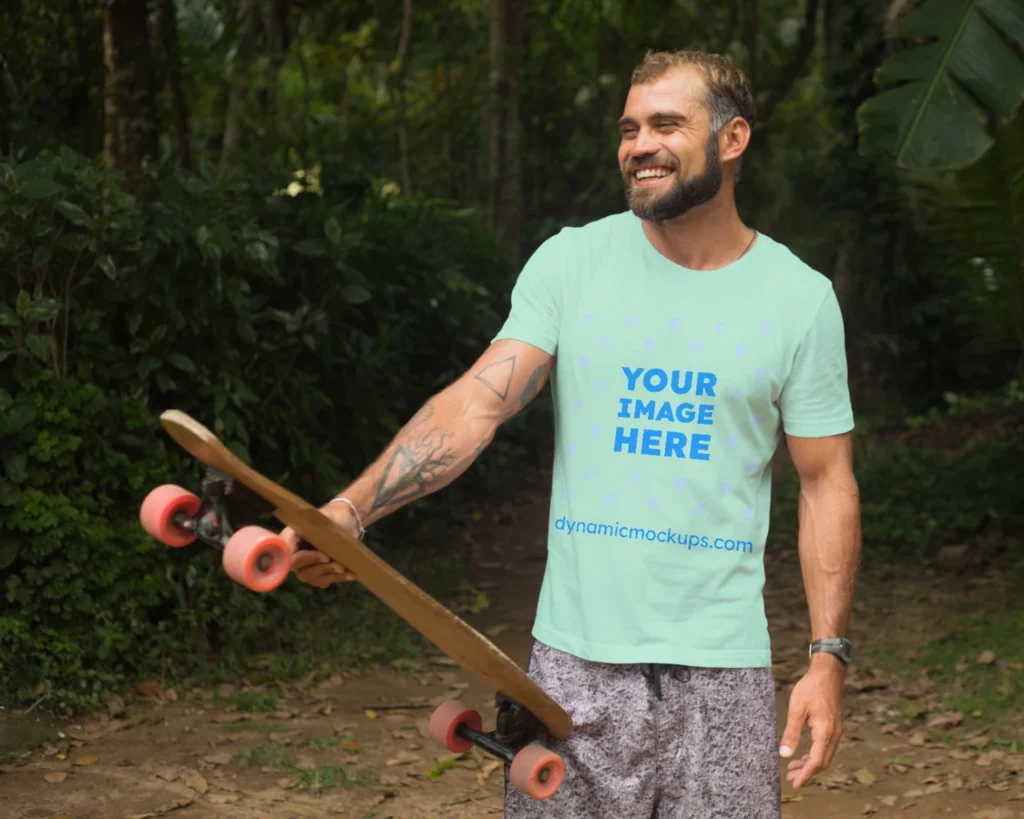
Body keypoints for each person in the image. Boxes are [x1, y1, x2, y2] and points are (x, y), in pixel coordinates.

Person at [281, 49, 862, 819]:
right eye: (628, 128)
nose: (638, 144)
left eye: (665, 124)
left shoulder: (800, 299)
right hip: (573, 670)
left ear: (732, 139)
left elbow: (826, 481)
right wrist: (351, 512)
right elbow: (475, 406)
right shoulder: (573, 263)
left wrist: (828, 657)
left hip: (724, 675)